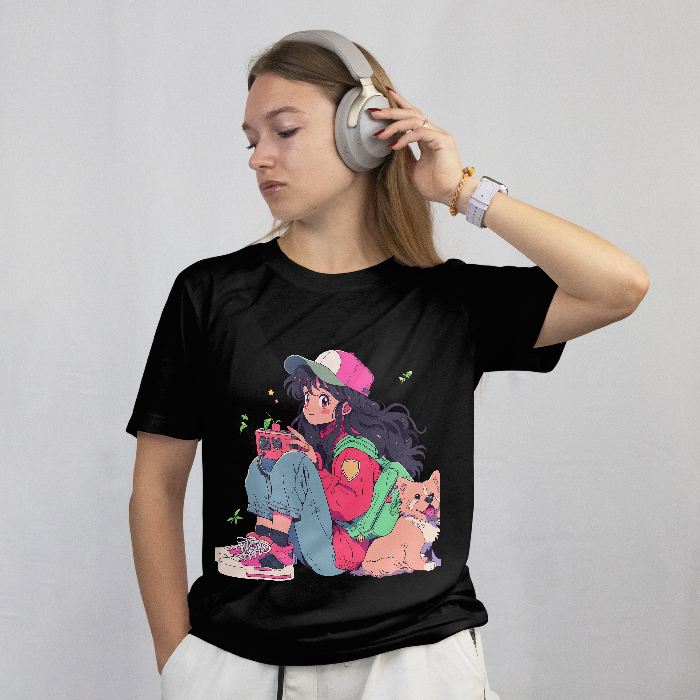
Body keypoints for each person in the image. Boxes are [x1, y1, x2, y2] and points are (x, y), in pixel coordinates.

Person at [127, 30, 649, 700]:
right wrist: (179, 662)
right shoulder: (211, 296)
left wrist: (460, 190)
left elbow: (619, 286)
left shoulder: (450, 302)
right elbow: (157, 487)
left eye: (285, 130)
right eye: (251, 139)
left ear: (363, 133)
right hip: (243, 665)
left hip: (415, 666)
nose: (259, 157)